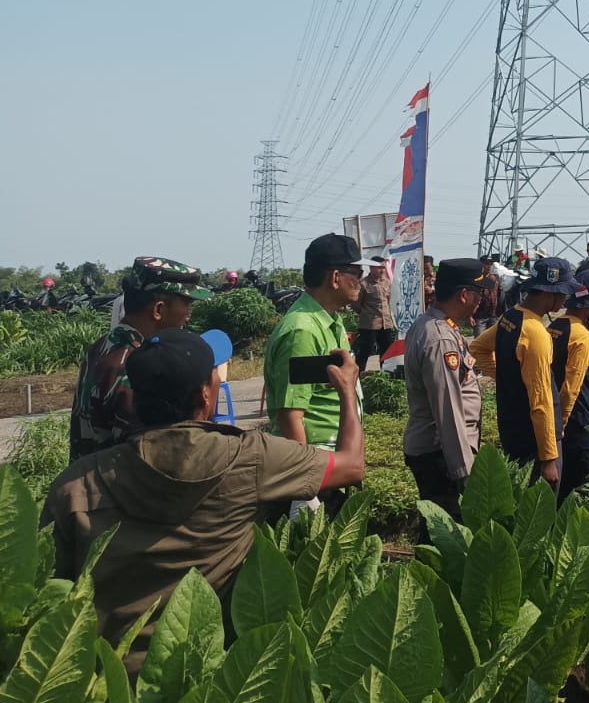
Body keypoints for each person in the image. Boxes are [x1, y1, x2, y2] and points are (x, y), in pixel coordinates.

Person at [45, 330, 364, 675]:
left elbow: (50, 590)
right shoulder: (252, 457)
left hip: (103, 684)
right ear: (204, 395)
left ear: (136, 399)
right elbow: (350, 465)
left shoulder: (76, 482)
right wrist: (347, 389)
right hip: (199, 677)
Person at [264, 234, 378, 513]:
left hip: (330, 466)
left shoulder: (330, 321)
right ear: (336, 277)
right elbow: (291, 414)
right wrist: (304, 488)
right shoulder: (302, 329)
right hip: (313, 472)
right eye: (357, 273)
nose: (361, 281)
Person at [70, 256, 212, 461]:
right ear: (159, 310)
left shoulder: (104, 347)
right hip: (117, 488)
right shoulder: (135, 365)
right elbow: (149, 452)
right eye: (187, 304)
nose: (189, 314)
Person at [403, 259, 492, 517]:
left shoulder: (430, 325)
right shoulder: (441, 338)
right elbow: (448, 408)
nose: (480, 300)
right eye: (479, 293)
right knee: (443, 533)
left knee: (436, 529)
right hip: (440, 453)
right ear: (464, 295)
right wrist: (463, 471)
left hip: (440, 451)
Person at [486, 257, 581, 488]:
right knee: (539, 514)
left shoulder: (510, 317)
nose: (566, 299)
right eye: (564, 293)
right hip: (536, 442)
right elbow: (541, 402)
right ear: (550, 294)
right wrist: (549, 458)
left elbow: (478, 348)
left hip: (512, 428)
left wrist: (507, 378)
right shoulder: (536, 332)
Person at [551, 278, 589, 498]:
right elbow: (571, 388)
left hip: (556, 420)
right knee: (573, 494)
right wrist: (561, 425)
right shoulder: (583, 337)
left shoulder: (554, 327)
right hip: (577, 427)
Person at [354, 256, 396, 370]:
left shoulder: (386, 283)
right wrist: (365, 314)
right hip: (369, 324)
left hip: (385, 323)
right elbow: (356, 304)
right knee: (365, 350)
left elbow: (387, 301)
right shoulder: (363, 284)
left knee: (386, 350)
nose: (382, 270)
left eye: (383, 267)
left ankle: (385, 373)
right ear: (371, 268)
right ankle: (359, 374)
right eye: (378, 268)